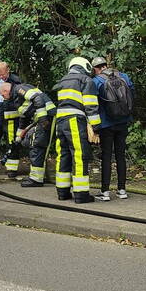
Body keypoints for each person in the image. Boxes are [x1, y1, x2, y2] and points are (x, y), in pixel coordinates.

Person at [52, 56, 101, 204]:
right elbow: (91, 105)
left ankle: (62, 192)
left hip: (60, 121)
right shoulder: (85, 80)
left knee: (63, 155)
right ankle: (81, 195)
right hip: (74, 120)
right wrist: (96, 127)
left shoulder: (62, 81)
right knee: (79, 156)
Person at [90, 56, 135, 201]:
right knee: (121, 155)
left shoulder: (96, 81)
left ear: (96, 68)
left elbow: (93, 104)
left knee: (107, 157)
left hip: (106, 124)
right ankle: (122, 190)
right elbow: (132, 95)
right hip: (123, 122)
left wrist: (94, 128)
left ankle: (105, 192)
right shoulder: (123, 76)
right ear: (106, 65)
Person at [5, 81, 56, 187]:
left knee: (37, 145)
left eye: (2, 95)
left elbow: (37, 99)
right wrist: (18, 138)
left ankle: (36, 179)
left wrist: (42, 119)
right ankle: (39, 177)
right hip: (43, 118)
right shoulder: (17, 99)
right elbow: (24, 119)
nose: (3, 97)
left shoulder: (18, 89)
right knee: (37, 145)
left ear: (6, 90)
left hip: (45, 117)